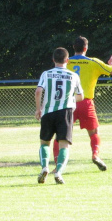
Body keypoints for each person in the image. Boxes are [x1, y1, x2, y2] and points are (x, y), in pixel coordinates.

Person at [52, 36, 112, 171]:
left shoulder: (66, 62)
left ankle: (57, 164)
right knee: (94, 132)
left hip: (68, 102)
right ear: (86, 48)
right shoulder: (93, 62)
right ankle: (95, 155)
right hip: (85, 101)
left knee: (60, 134)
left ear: (73, 48)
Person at [35, 47, 83, 185]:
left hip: (48, 112)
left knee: (44, 142)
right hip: (65, 113)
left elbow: (38, 91)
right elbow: (81, 96)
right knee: (64, 146)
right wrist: (69, 100)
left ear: (53, 60)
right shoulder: (73, 76)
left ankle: (45, 167)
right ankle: (59, 172)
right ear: (67, 60)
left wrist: (38, 109)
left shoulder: (46, 74)